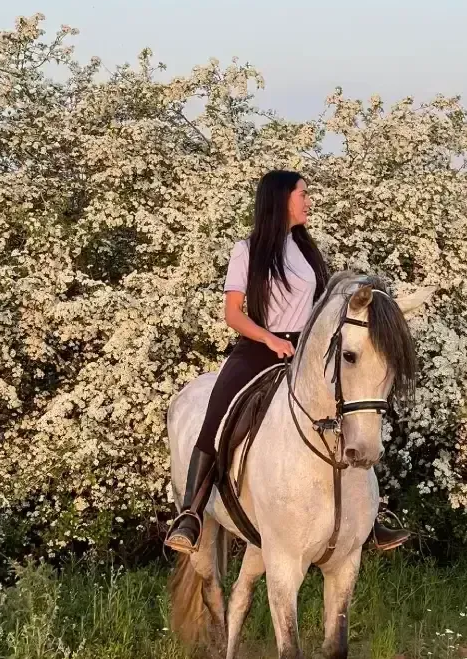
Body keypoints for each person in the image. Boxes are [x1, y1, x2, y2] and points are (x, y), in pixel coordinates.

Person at [165, 169, 411, 555]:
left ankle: (370, 517)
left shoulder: (308, 251)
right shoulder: (246, 250)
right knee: (216, 416)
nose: (308, 201)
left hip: (307, 352)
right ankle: (191, 514)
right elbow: (233, 314)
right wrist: (269, 339)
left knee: (354, 410)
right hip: (259, 346)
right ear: (280, 199)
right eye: (303, 194)